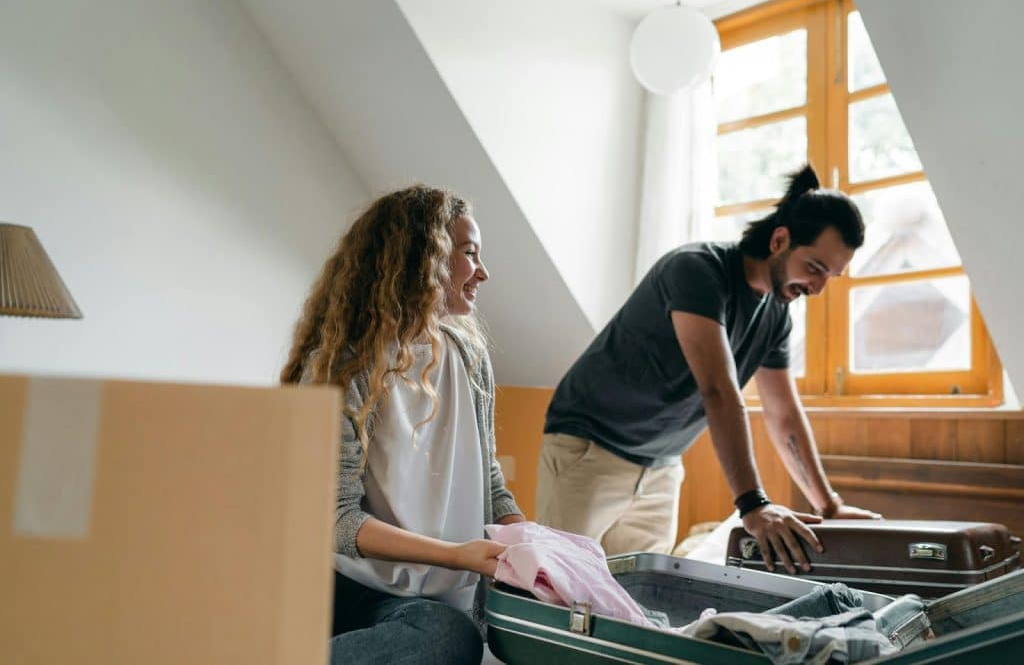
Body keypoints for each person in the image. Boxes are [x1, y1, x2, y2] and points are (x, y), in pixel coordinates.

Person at [536, 164, 881, 574]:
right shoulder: (697, 270)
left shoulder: (776, 315)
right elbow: (718, 390)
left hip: (662, 465)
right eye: (815, 268)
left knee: (636, 592)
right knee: (556, 585)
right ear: (779, 240)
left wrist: (829, 506)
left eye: (831, 277)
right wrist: (753, 504)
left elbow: (783, 414)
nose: (818, 288)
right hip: (590, 449)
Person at [281, 185, 524, 664]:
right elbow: (335, 520)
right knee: (446, 636)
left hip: (434, 596)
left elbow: (489, 480)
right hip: (354, 587)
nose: (483, 272)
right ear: (423, 260)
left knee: (457, 635)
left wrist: (531, 543)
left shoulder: (470, 359)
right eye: (469, 253)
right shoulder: (342, 370)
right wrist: (457, 555)